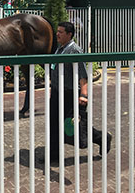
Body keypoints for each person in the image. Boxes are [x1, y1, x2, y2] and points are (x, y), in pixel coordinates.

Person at [43, 21, 111, 163]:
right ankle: (54, 155)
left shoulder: (74, 50)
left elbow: (82, 74)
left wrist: (84, 95)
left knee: (74, 125)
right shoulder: (60, 48)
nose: (57, 34)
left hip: (70, 93)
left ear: (69, 34)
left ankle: (101, 137)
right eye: (57, 31)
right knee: (54, 122)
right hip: (57, 92)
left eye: (61, 32)